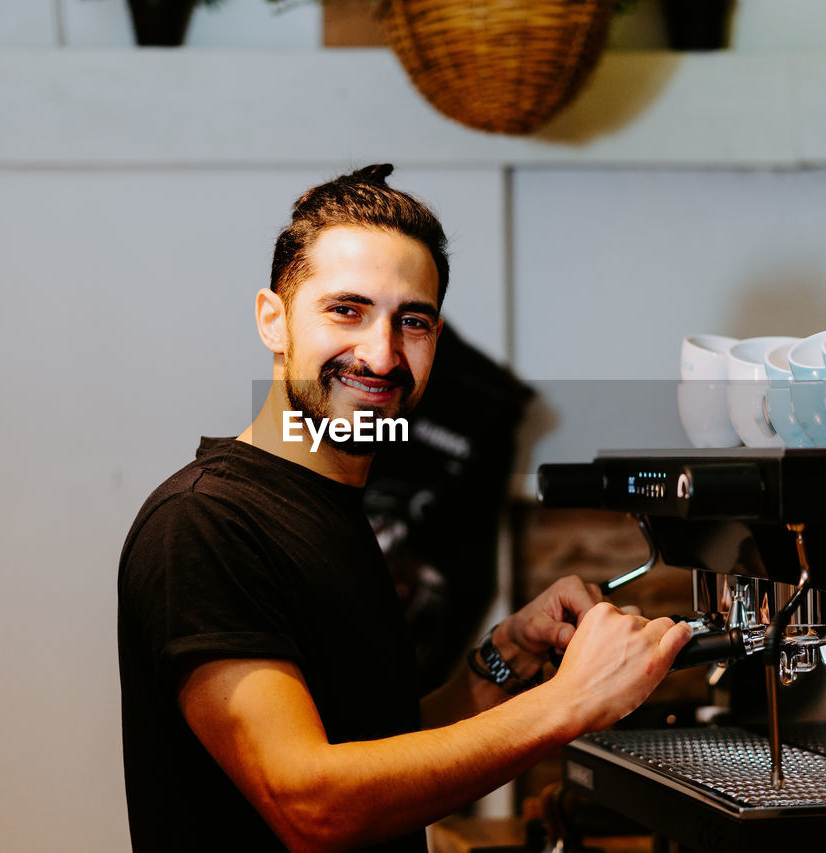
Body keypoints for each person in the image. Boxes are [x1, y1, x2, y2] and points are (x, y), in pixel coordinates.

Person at [117, 164, 693, 853]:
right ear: (273, 319)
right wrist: (569, 702)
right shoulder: (205, 523)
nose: (382, 354)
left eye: (410, 321)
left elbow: (375, 749)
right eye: (346, 310)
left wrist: (501, 660)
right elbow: (311, 803)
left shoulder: (330, 508)